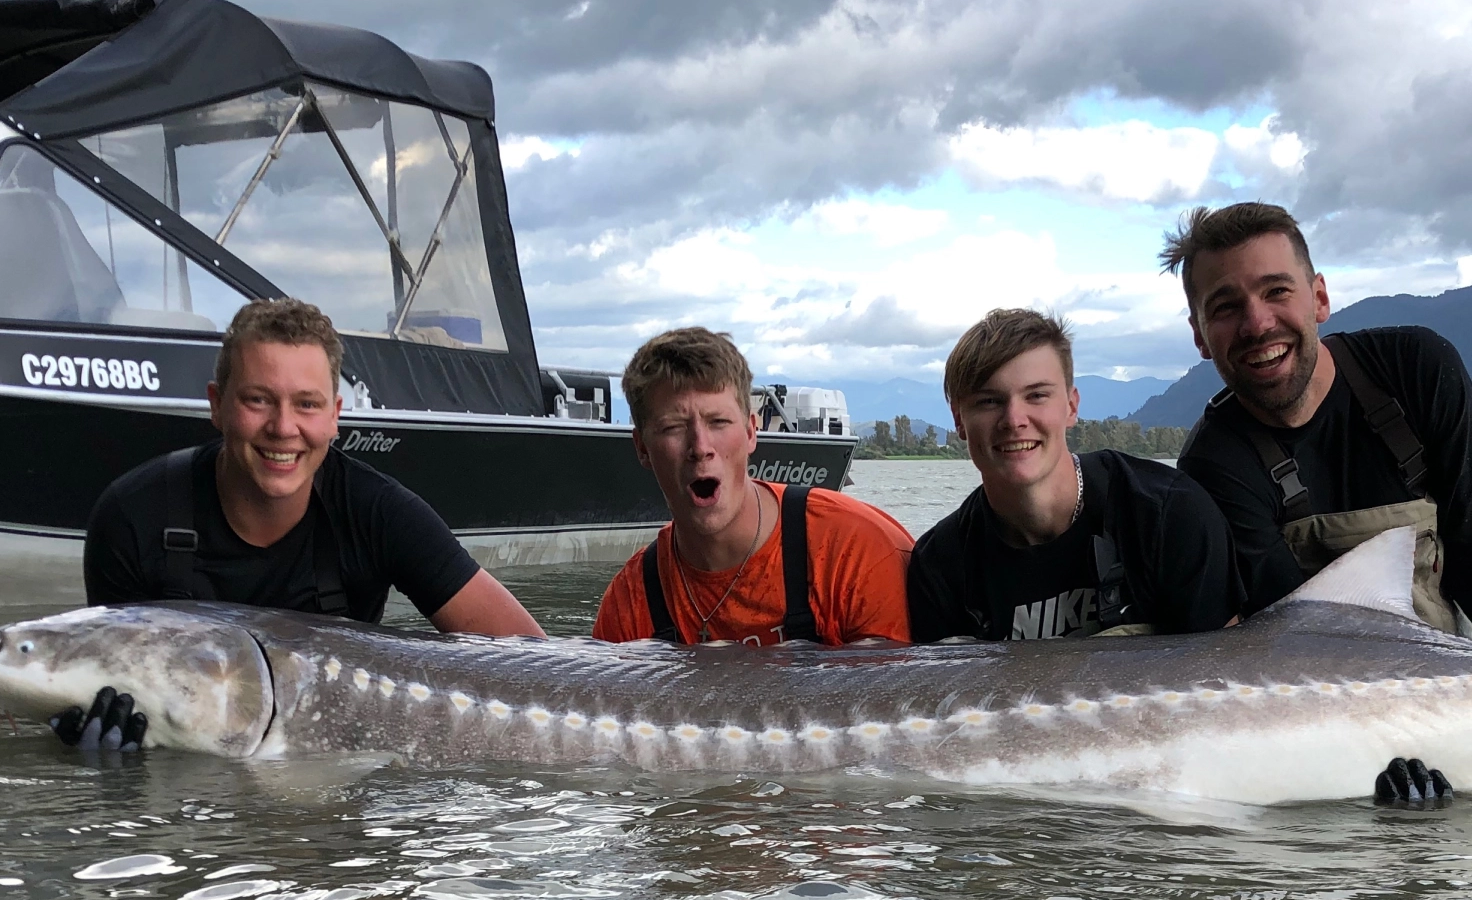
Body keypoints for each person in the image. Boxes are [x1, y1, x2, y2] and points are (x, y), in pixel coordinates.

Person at [62, 298, 541, 749]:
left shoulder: (378, 512)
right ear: (216, 404)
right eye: (258, 400)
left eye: (307, 404)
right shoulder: (133, 516)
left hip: (335, 761)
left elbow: (532, 662)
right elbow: (112, 673)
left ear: (335, 416)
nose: (283, 428)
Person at [1167, 202, 1472, 635]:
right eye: (1225, 307)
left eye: (1276, 291)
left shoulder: (1418, 370)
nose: (1257, 325)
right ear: (1199, 336)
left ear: (1320, 299)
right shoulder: (1213, 465)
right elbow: (1304, 637)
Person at [908, 308, 1243, 642]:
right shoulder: (940, 564)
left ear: (1071, 407)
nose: (1013, 419)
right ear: (959, 420)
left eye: (1036, 395)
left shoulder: (1170, 514)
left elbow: (1220, 674)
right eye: (989, 401)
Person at [592, 327, 914, 645]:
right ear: (642, 448)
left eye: (718, 422)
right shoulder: (630, 604)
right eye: (673, 427)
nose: (700, 446)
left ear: (750, 432)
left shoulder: (858, 553)